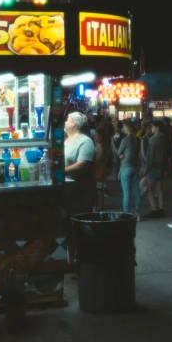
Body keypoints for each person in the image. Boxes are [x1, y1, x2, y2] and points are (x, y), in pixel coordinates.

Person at [64, 112, 96, 266]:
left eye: (68, 120)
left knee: (80, 228)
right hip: (67, 191)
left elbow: (84, 163)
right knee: (68, 228)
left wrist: (62, 171)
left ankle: (83, 262)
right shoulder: (66, 140)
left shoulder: (85, 141)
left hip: (81, 192)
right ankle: (71, 260)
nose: (65, 122)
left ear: (74, 123)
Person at [113, 121, 142, 221]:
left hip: (126, 167)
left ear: (127, 129)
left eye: (124, 128)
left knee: (126, 192)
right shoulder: (138, 139)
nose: (123, 129)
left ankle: (126, 214)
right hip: (135, 167)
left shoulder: (125, 139)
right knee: (137, 191)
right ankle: (138, 213)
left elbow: (118, 153)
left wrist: (112, 142)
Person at [144, 121, 167, 218]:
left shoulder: (153, 139)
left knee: (149, 189)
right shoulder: (164, 138)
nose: (151, 129)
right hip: (161, 166)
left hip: (153, 167)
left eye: (153, 127)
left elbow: (150, 156)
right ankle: (161, 209)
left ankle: (154, 209)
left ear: (157, 128)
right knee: (159, 189)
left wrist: (146, 169)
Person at [93, 126, 107, 211]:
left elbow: (99, 157)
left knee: (99, 188)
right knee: (98, 187)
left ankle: (100, 205)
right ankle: (99, 204)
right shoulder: (98, 144)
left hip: (99, 168)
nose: (94, 137)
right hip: (98, 168)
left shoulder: (100, 145)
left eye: (96, 135)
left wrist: (93, 162)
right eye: (94, 135)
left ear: (100, 136)